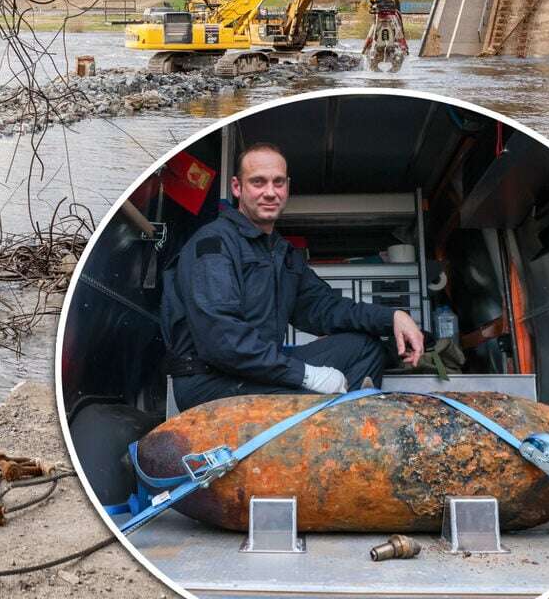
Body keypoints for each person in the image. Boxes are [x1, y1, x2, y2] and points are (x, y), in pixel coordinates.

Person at [161, 142, 425, 410]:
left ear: (287, 187)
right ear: (237, 187)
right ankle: (336, 430)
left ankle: (343, 432)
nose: (270, 192)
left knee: (364, 348)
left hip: (256, 373)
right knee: (319, 407)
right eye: (258, 182)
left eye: (278, 182)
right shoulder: (214, 244)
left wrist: (392, 317)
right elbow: (222, 341)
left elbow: (326, 308)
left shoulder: (281, 254)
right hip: (211, 383)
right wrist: (306, 375)